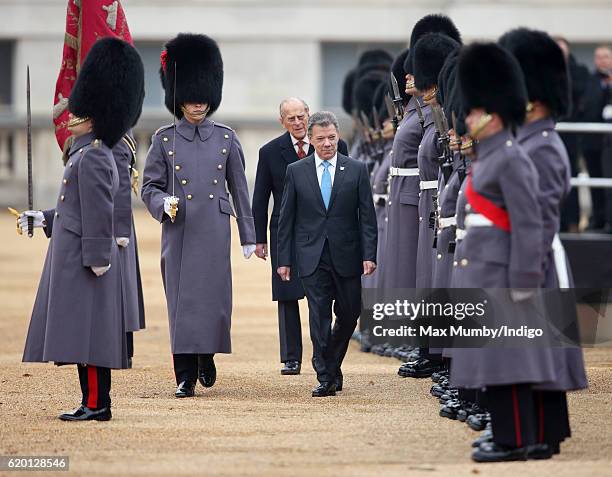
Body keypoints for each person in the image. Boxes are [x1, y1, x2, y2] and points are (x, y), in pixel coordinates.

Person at [20, 37, 144, 421]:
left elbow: (100, 213)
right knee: (82, 332)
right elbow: (73, 208)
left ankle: (97, 404)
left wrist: (96, 258)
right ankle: (91, 400)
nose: (69, 120)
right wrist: (44, 218)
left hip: (86, 259)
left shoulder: (93, 156)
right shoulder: (87, 153)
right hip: (77, 252)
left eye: (77, 114)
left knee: (90, 336)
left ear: (92, 116)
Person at [452, 42, 559, 463]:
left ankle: (512, 439)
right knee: (490, 362)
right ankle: (506, 433)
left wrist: (524, 279)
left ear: (492, 115)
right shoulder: (491, 156)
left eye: (475, 112)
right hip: (484, 270)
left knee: (507, 363)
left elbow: (529, 222)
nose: (468, 118)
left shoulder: (511, 158)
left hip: (504, 275)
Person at [141, 33, 256, 398]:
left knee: (213, 300)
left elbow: (240, 189)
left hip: (214, 228)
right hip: (179, 228)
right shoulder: (163, 139)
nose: (197, 107)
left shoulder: (225, 137)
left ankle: (207, 354)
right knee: (181, 302)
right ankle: (185, 374)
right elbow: (149, 187)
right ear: (179, 99)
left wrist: (249, 236)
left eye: (202, 100)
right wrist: (163, 205)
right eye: (190, 101)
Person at [500, 26, 588, 458]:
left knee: (534, 350)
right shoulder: (531, 141)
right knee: (533, 351)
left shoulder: (544, 147)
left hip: (535, 260)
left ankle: (535, 435)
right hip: (529, 256)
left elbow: (539, 216)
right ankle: (544, 434)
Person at [277, 111, 377, 397]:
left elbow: (367, 217)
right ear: (310, 140)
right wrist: (284, 260)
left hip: (347, 253)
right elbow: (287, 219)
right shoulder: (296, 172)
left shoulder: (356, 169)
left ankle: (331, 363)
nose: (327, 144)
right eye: (321, 139)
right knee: (319, 316)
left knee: (349, 314)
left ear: (338, 136)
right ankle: (325, 374)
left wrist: (369, 254)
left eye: (332, 138)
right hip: (311, 255)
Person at [252, 97, 348, 376]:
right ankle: (291, 357)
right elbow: (260, 198)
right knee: (287, 293)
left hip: (325, 231)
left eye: (301, 116)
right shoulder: (269, 152)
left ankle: (325, 353)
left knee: (326, 294)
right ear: (282, 121)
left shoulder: (335, 145)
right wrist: (259, 238)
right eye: (290, 118)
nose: (297, 122)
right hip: (287, 232)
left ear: (309, 114)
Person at [112, 131, 146, 366]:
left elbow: (121, 186)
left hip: (112, 220)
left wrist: (121, 229)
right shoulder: (120, 136)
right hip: (116, 219)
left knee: (118, 285)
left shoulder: (114, 141)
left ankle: (121, 349)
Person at [582, 45, 612, 230]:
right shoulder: (590, 81)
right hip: (594, 141)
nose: (602, 60)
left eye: (606, 56)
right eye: (599, 57)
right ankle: (599, 219)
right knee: (596, 182)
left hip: (610, 143)